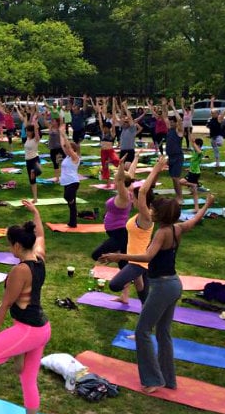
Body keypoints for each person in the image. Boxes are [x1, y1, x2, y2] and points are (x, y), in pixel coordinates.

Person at [101, 193, 215, 393]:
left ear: (160, 214)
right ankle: (168, 380)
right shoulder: (176, 228)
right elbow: (195, 220)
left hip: (163, 287)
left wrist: (118, 256)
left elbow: (147, 256)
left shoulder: (162, 232)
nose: (150, 211)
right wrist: (207, 204)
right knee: (163, 332)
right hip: (173, 285)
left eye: (153, 209)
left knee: (142, 331)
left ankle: (154, 380)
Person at [0, 200, 50, 414]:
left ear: (18, 246)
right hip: (41, 328)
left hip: (29, 330)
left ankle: (18, 351)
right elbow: (40, 234)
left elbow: (4, 305)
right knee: (27, 379)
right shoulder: (40, 257)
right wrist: (36, 213)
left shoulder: (20, 271)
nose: (10, 250)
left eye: (10, 246)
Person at [103, 156, 166, 304]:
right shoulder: (142, 214)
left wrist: (156, 168)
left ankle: (149, 307)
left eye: (135, 198)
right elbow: (139, 185)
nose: (133, 200)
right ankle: (147, 308)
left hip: (138, 261)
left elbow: (143, 191)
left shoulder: (146, 216)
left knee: (114, 285)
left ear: (141, 200)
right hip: (133, 257)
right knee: (140, 286)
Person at [91, 155, 134, 302]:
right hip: (117, 234)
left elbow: (122, 179)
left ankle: (116, 255)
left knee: (96, 255)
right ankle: (125, 296)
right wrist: (137, 158)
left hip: (120, 234)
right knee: (124, 266)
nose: (115, 179)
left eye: (116, 177)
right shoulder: (127, 192)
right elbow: (129, 175)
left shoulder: (124, 196)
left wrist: (121, 165)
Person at [18, 107, 41, 203]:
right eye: (26, 131)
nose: (26, 132)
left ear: (32, 132)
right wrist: (32, 116)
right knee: (32, 181)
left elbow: (35, 130)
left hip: (35, 160)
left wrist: (35, 123)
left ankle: (37, 170)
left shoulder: (35, 139)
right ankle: (35, 198)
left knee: (34, 173)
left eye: (28, 131)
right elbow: (27, 123)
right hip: (28, 161)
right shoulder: (27, 139)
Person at [59, 128, 81, 228]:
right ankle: (73, 223)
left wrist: (64, 135)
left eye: (68, 149)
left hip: (73, 182)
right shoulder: (68, 157)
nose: (66, 150)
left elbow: (67, 146)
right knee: (71, 205)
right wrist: (60, 134)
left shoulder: (75, 157)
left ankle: (73, 221)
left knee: (67, 197)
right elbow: (63, 145)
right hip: (66, 182)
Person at [164, 98, 185, 203]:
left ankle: (180, 198)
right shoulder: (170, 130)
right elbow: (164, 117)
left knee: (176, 178)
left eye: (173, 122)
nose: (171, 123)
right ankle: (178, 196)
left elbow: (180, 120)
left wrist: (172, 106)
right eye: (171, 122)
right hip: (171, 157)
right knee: (173, 178)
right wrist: (165, 106)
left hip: (177, 157)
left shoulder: (179, 131)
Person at [180, 132, 204, 212]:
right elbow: (194, 163)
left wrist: (193, 143)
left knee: (180, 182)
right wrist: (188, 168)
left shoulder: (200, 152)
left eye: (195, 145)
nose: (193, 146)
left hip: (194, 173)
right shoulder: (194, 152)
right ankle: (196, 208)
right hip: (192, 172)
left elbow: (199, 152)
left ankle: (193, 184)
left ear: (199, 146)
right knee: (194, 192)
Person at [206, 97, 225, 168]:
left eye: (214, 113)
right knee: (216, 151)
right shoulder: (211, 118)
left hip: (218, 136)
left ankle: (219, 143)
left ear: (217, 113)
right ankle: (217, 163)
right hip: (212, 137)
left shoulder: (219, 118)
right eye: (212, 113)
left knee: (219, 143)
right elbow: (211, 109)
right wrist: (211, 101)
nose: (212, 113)